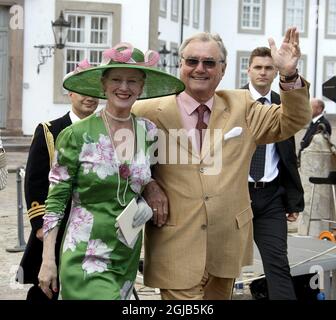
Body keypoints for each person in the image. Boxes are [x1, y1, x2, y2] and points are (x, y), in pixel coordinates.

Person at [132, 27, 311, 300]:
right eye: (192, 61)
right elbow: (119, 158)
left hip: (225, 243)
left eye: (209, 62)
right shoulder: (147, 111)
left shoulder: (243, 106)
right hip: (175, 241)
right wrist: (148, 184)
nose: (199, 69)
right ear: (180, 65)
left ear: (223, 69)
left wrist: (288, 74)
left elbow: (291, 121)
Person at [37, 43, 185, 300]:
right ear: (103, 85)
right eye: (116, 79)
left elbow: (143, 175)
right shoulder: (76, 135)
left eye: (133, 81)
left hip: (126, 253)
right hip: (85, 255)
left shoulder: (149, 132)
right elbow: (55, 201)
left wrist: (152, 185)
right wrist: (47, 259)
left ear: (142, 87)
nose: (124, 87)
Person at [17, 79, 99, 301]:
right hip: (59, 225)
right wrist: (40, 226)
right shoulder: (49, 131)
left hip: (92, 227)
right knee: (49, 288)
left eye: (93, 91)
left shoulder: (105, 131)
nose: (88, 97)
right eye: (82, 90)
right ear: (70, 93)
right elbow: (35, 181)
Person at [243, 46, 304, 299]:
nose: (263, 73)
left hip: (270, 197)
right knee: (219, 266)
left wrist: (292, 200)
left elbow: (288, 157)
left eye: (269, 68)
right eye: (258, 67)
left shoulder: (283, 105)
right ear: (249, 70)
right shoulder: (231, 102)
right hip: (235, 194)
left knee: (278, 265)